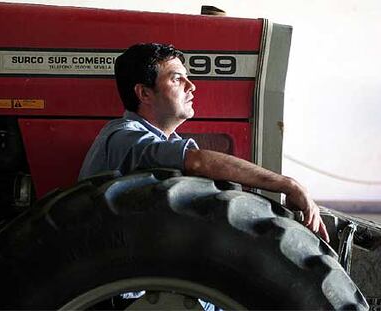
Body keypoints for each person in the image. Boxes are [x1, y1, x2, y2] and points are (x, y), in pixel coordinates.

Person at [79, 43, 329, 242]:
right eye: (177, 79)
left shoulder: (164, 139)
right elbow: (198, 162)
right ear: (144, 93)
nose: (192, 86)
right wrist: (288, 185)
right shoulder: (123, 136)